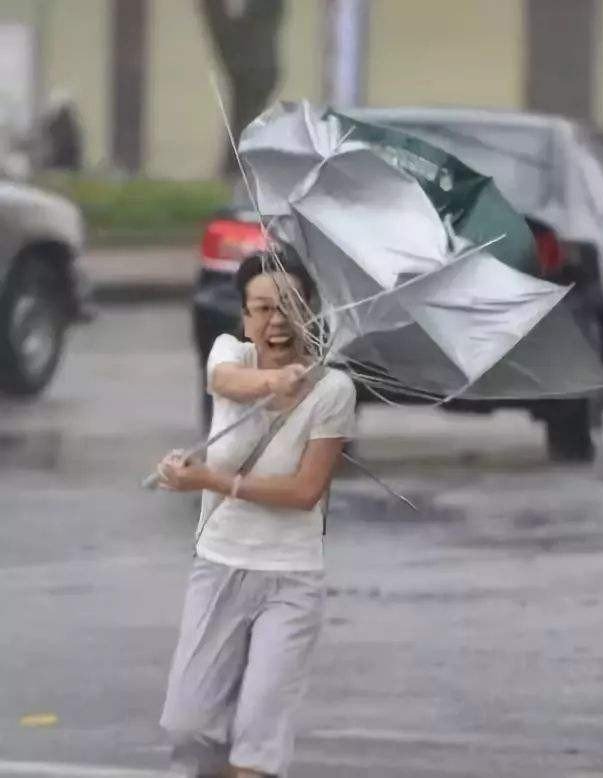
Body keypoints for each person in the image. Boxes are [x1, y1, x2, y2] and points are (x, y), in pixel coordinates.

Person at [156, 250, 356, 777]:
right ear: (244, 318)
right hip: (217, 567)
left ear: (310, 312)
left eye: (289, 306)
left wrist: (210, 481)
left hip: (290, 580)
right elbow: (226, 383)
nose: (276, 321)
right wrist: (275, 383)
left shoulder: (334, 390)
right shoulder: (230, 355)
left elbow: (304, 491)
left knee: (257, 738)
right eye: (262, 308)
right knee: (187, 725)